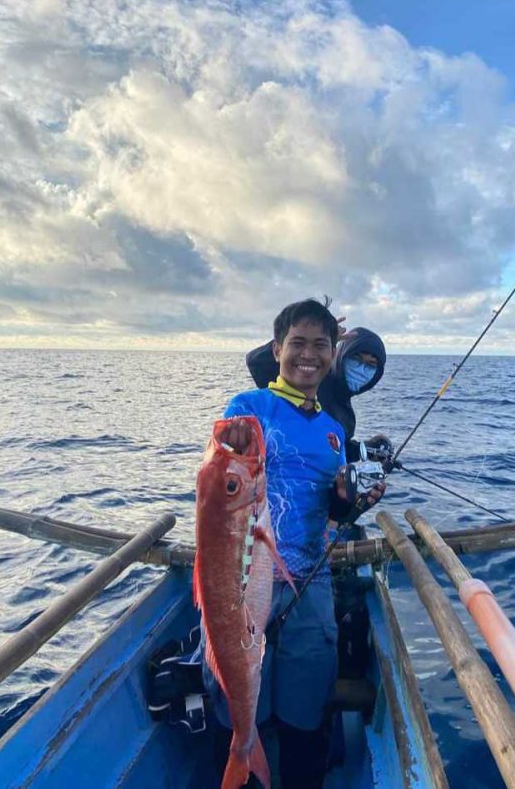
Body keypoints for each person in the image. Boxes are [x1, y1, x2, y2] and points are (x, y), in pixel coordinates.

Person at [203, 298, 386, 789]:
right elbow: (221, 472)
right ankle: (241, 764)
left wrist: (350, 501)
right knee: (242, 706)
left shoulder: (332, 429)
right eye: (297, 344)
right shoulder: (250, 406)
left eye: (320, 345)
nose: (308, 355)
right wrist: (232, 440)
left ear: (332, 355)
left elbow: (330, 511)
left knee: (307, 708)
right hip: (244, 582)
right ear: (277, 349)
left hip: (310, 581)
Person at [246, 322, 390, 462]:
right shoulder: (308, 381)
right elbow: (256, 362)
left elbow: (333, 450)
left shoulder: (347, 417)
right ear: (340, 355)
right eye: (356, 358)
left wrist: (364, 449)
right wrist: (308, 332)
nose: (361, 369)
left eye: (371, 365)